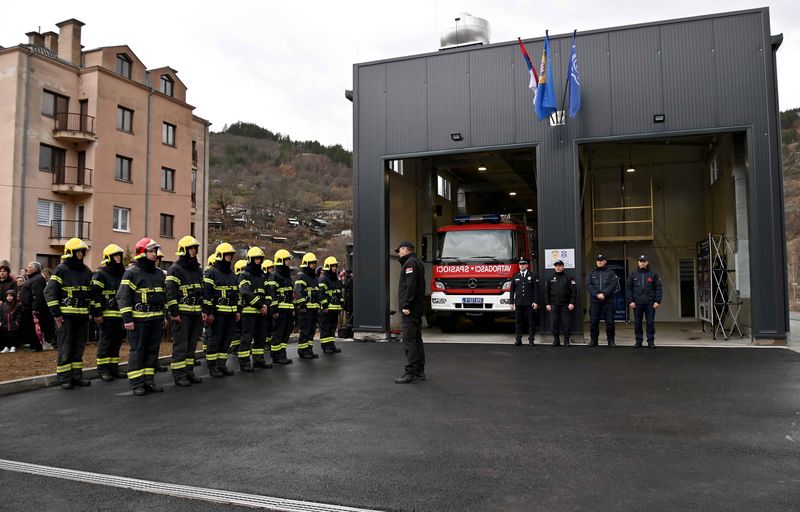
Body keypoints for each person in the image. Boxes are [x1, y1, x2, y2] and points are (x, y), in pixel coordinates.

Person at [117, 238, 167, 395]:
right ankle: (137, 383)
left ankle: (148, 381)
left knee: (152, 351)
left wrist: (164, 316)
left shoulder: (159, 273)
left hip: (156, 318)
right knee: (138, 351)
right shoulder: (132, 273)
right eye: (151, 251)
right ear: (142, 252)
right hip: (138, 320)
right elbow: (123, 296)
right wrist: (127, 319)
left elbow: (162, 296)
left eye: (155, 251)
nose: (154, 254)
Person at [44, 238, 94, 389]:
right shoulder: (61, 269)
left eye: (82, 251)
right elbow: (50, 292)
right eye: (78, 251)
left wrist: (92, 311)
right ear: (71, 252)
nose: (81, 254)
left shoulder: (86, 271)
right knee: (66, 346)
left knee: (79, 347)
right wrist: (56, 313)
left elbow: (91, 293)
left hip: (82, 316)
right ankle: (65, 378)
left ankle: (77, 376)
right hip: (65, 317)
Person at [165, 236, 205, 386]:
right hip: (182, 314)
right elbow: (170, 292)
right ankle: (179, 374)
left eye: (195, 248)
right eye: (191, 248)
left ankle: (189, 372)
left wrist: (203, 310)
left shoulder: (197, 270)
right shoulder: (175, 269)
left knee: (191, 345)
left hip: (195, 312)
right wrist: (174, 313)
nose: (194, 250)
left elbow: (202, 290)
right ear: (183, 250)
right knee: (181, 345)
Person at [202, 242, 240, 378]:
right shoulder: (211, 272)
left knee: (226, 340)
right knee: (215, 340)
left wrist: (237, 310)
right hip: (217, 313)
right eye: (227, 255)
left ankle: (222, 364)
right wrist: (209, 312)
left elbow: (236, 294)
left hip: (230, 312)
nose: (229, 257)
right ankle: (213, 367)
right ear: (220, 255)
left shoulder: (231, 274)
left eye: (231, 255)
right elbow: (207, 294)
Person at [91, 244, 127, 381]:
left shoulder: (123, 273)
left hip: (119, 315)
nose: (118, 258)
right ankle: (103, 370)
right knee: (105, 343)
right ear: (108, 257)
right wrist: (97, 313)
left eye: (119, 255)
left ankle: (114, 368)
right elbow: (95, 295)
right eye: (115, 255)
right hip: (106, 315)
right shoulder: (101, 274)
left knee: (117, 343)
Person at [394, 241, 426, 384]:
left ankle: (411, 372)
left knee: (409, 341)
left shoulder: (410, 264)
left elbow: (410, 285)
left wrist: (406, 305)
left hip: (410, 310)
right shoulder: (417, 262)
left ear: (405, 249)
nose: (399, 254)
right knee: (417, 340)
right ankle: (419, 372)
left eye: (399, 251)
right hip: (417, 309)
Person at [237, 247, 271, 371]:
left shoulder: (262, 276)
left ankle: (258, 360)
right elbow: (246, 293)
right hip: (249, 312)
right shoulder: (244, 275)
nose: (258, 261)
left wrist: (266, 304)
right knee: (247, 337)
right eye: (256, 259)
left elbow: (268, 292)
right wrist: (260, 306)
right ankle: (244, 362)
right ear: (250, 260)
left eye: (260, 259)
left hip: (261, 313)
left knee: (261, 337)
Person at [626, 254, 663, 349]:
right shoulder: (633, 274)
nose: (642, 263)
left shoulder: (653, 274)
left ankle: (651, 341)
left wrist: (657, 301)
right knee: (637, 323)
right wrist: (631, 301)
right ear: (638, 262)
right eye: (640, 261)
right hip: (637, 303)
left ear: (647, 262)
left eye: (644, 261)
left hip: (650, 303)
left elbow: (658, 288)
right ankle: (638, 341)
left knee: (650, 323)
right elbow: (628, 288)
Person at [267, 249, 295, 365]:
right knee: (278, 333)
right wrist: (274, 311)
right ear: (281, 261)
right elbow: (272, 294)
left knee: (286, 333)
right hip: (280, 310)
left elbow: (290, 294)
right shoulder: (274, 275)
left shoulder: (287, 276)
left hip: (288, 309)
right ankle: (275, 356)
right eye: (287, 260)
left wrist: (292, 309)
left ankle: (282, 354)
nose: (289, 262)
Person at [586, 254, 620, 348]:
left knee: (610, 322)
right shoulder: (591, 273)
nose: (599, 261)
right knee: (593, 322)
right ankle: (594, 340)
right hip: (595, 301)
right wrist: (597, 294)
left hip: (607, 301)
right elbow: (589, 285)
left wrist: (604, 294)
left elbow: (613, 285)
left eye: (601, 260)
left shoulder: (611, 273)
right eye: (598, 260)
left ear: (605, 261)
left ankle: (611, 341)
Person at [294, 252, 324, 359]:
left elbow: (317, 292)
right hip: (305, 309)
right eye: (311, 263)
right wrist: (302, 305)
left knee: (311, 330)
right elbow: (298, 291)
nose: (313, 265)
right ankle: (302, 350)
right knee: (305, 330)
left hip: (314, 308)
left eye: (314, 263)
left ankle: (309, 350)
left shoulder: (314, 277)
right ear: (306, 264)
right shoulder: (301, 276)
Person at [545, 260, 577, 347]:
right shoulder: (550, 278)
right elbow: (546, 292)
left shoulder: (569, 277)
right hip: (554, 305)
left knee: (566, 323)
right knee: (553, 323)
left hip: (565, 305)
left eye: (559, 266)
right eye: (556, 266)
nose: (558, 267)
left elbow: (573, 292)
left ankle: (566, 340)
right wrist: (547, 304)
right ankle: (556, 340)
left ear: (563, 267)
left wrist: (572, 303)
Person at [20, 262, 50, 352]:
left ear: (36, 269)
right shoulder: (33, 279)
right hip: (28, 307)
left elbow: (38, 295)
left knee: (35, 327)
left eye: (29, 267)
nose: (27, 268)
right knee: (30, 327)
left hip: (33, 308)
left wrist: (35, 308)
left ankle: (37, 346)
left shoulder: (37, 279)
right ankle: (33, 345)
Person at [510, 258, 539, 346]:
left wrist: (535, 302)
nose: (521, 266)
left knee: (531, 321)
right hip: (518, 302)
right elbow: (512, 290)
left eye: (523, 264)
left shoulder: (533, 275)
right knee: (518, 321)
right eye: (520, 264)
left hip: (529, 303)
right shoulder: (515, 275)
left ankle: (531, 339)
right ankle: (518, 339)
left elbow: (536, 290)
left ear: (527, 265)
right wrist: (511, 302)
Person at [318, 256, 343, 354]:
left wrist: (341, 302)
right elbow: (321, 293)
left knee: (333, 328)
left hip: (335, 308)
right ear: (328, 267)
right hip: (327, 309)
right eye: (333, 266)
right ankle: (325, 346)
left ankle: (331, 344)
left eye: (335, 266)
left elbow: (339, 292)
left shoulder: (336, 279)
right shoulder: (323, 279)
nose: (334, 268)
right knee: (325, 328)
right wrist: (325, 306)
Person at [229, 259, 247, 357]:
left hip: (242, 308)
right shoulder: (236, 280)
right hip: (238, 308)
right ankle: (235, 348)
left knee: (242, 329)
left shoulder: (241, 279)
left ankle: (239, 347)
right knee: (237, 330)